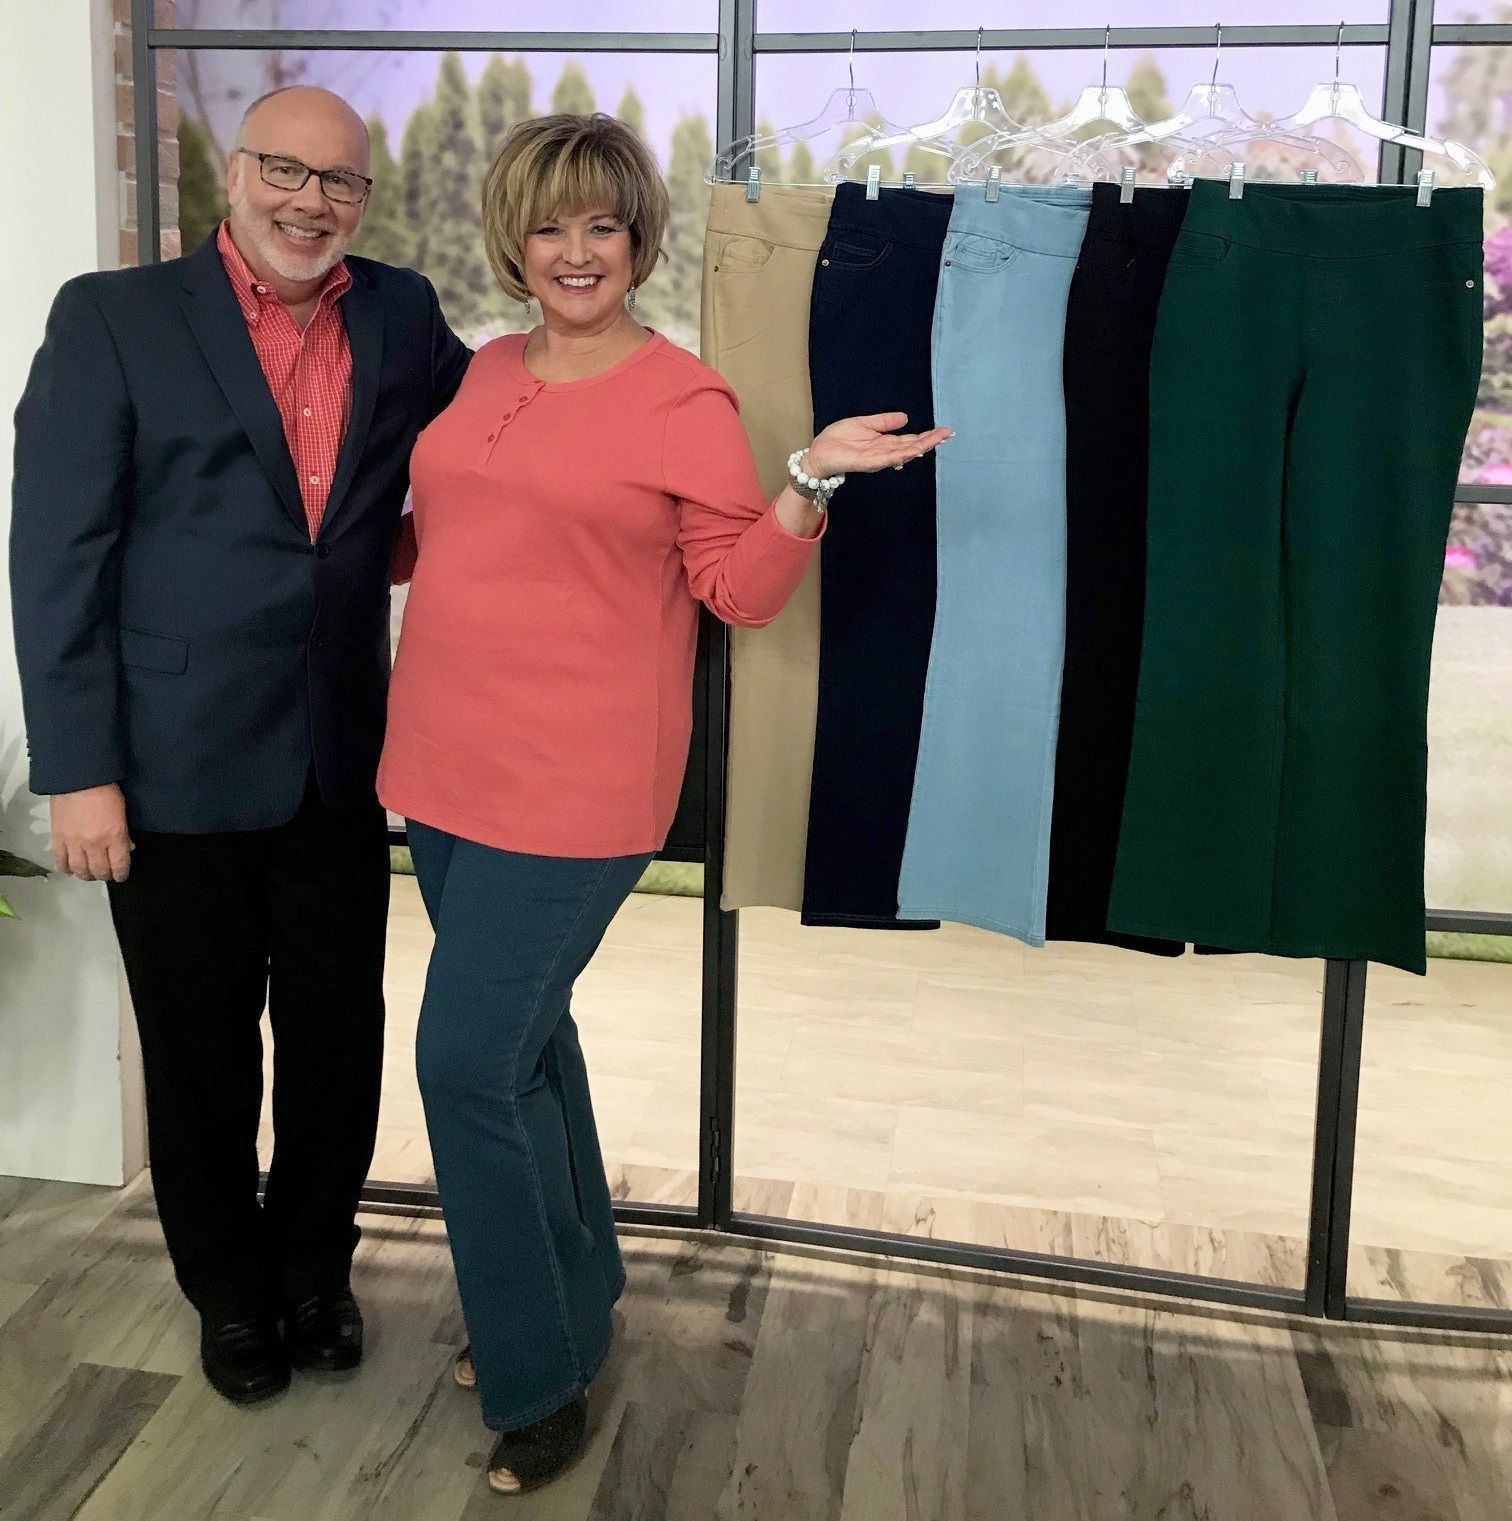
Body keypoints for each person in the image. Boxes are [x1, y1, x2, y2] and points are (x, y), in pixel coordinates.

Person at [376, 111, 952, 1496]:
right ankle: (579, 1293)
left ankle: (537, 1373)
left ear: (638, 241)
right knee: (527, 1049)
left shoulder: (683, 400)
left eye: (604, 225)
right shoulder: (484, 370)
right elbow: (441, 535)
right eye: (550, 225)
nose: (577, 251)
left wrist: (806, 484)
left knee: (465, 1065)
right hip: (440, 766)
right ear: (513, 240)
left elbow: (735, 591)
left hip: (578, 787)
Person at [9, 85, 470, 1405]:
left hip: (339, 758)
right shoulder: (114, 318)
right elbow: (57, 558)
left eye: (340, 182)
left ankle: (316, 1271)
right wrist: (78, 771)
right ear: (234, 168)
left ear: (364, 199)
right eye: (286, 170)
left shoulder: (403, 313)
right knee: (201, 1055)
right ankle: (228, 1290)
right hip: (167, 768)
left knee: (336, 1044)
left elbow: (496, 438)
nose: (310, 203)